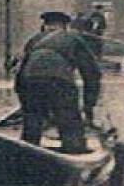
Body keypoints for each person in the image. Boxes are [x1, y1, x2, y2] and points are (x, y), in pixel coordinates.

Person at [14, 11, 101, 154]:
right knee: (69, 120)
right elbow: (92, 74)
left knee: (32, 121)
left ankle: (27, 154)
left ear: (44, 26)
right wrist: (88, 106)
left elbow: (20, 73)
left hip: (29, 81)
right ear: (65, 26)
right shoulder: (73, 38)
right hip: (59, 81)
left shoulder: (34, 40)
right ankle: (74, 150)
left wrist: (24, 103)